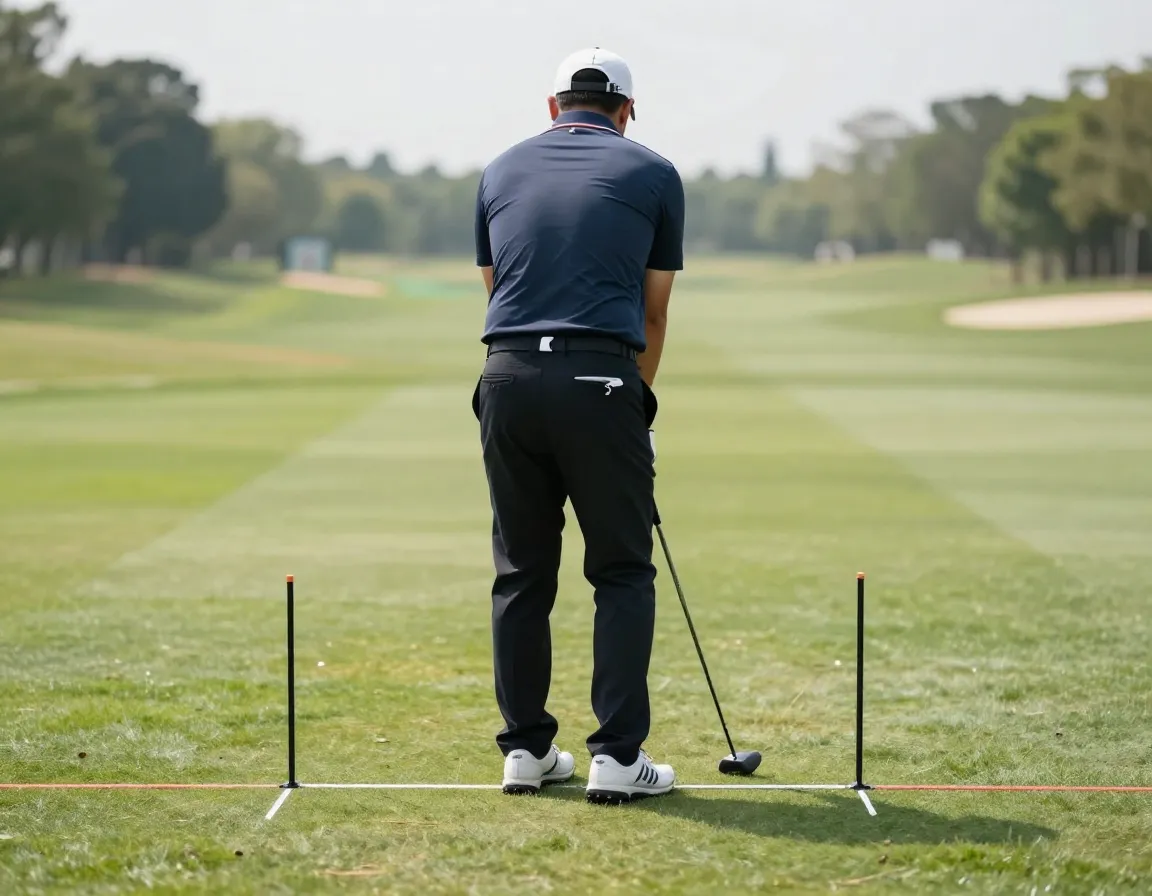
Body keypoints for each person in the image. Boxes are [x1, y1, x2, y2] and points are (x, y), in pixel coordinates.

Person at [471, 47, 685, 804]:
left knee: (521, 570)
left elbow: (500, 293)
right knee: (622, 569)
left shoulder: (497, 170)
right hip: (602, 376)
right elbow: (653, 313)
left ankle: (526, 752)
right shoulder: (654, 173)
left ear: (553, 105)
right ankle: (617, 758)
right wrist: (635, 404)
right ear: (626, 110)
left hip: (506, 378)